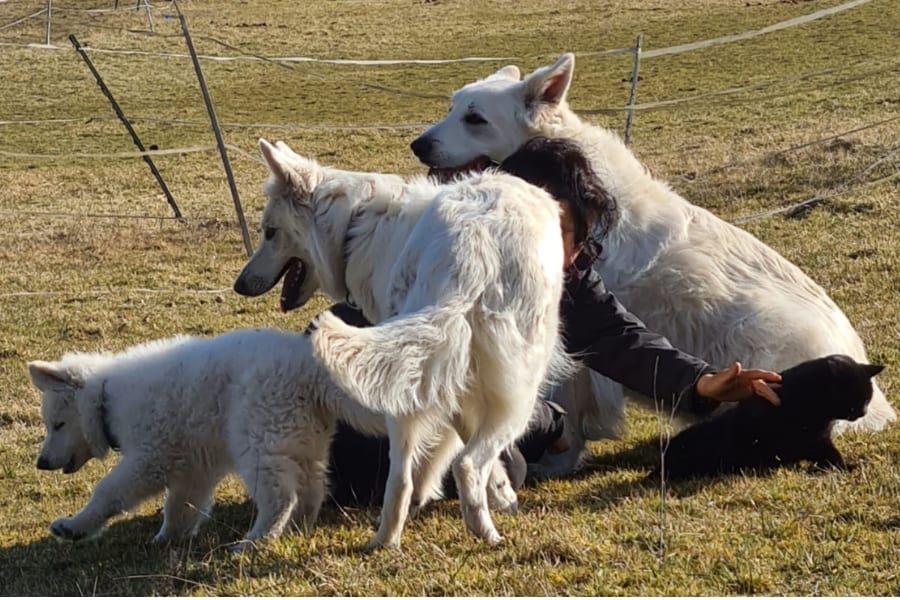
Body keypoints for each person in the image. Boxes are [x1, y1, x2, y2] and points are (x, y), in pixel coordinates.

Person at [323, 136, 782, 506]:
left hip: (437, 435)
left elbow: (615, 335)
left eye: (575, 237)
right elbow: (349, 332)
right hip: (368, 417)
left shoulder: (561, 272)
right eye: (560, 231)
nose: (569, 255)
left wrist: (701, 382)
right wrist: (542, 420)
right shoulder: (436, 242)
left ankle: (539, 425)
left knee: (509, 466)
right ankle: (545, 423)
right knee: (500, 456)